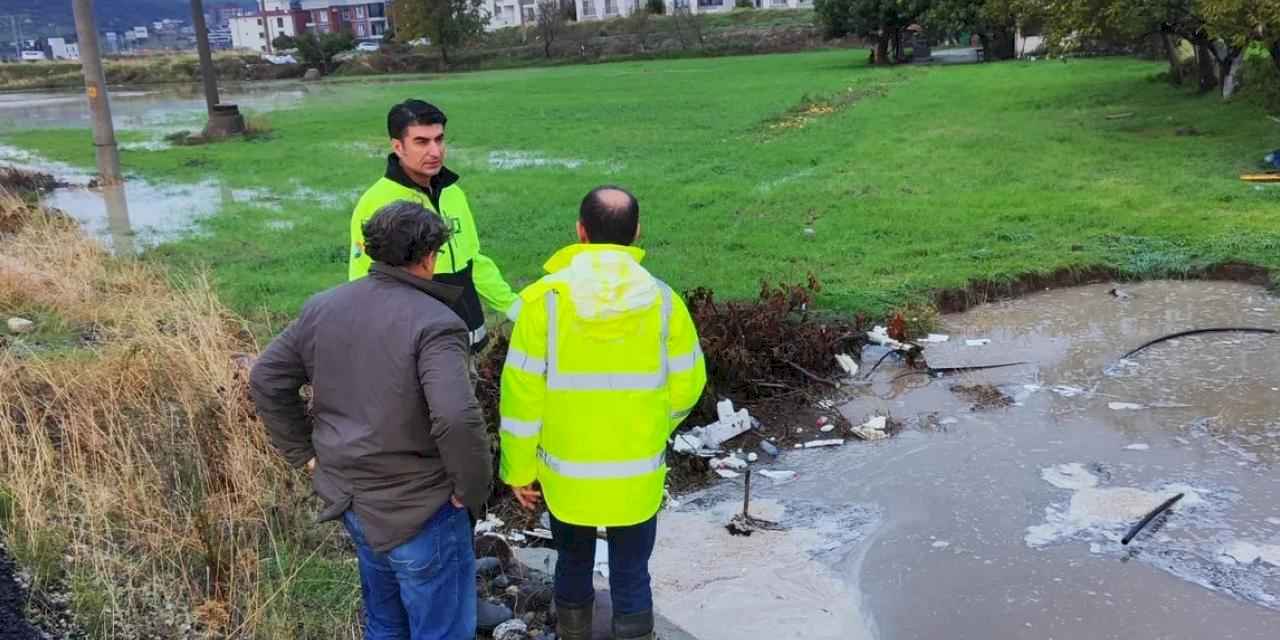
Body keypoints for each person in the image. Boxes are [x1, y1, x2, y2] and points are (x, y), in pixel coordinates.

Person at [251, 201, 491, 640]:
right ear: (428, 256)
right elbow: (456, 416)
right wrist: (470, 489)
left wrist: (305, 455)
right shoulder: (437, 323)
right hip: (423, 510)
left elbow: (266, 378)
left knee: (384, 624)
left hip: (352, 500)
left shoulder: (323, 307)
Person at [498, 186, 707, 640]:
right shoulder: (664, 302)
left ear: (581, 232)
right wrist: (655, 425)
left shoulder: (544, 303)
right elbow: (689, 385)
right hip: (636, 474)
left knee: (572, 562)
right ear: (636, 233)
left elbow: (520, 395)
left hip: (567, 476)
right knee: (632, 571)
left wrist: (518, 468)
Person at [349, 99, 518, 352]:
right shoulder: (375, 202)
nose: (435, 151)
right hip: (417, 345)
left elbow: (473, 260)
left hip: (466, 337)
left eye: (439, 139)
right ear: (398, 146)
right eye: (421, 142)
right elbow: (363, 279)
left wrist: (515, 307)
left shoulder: (454, 193)